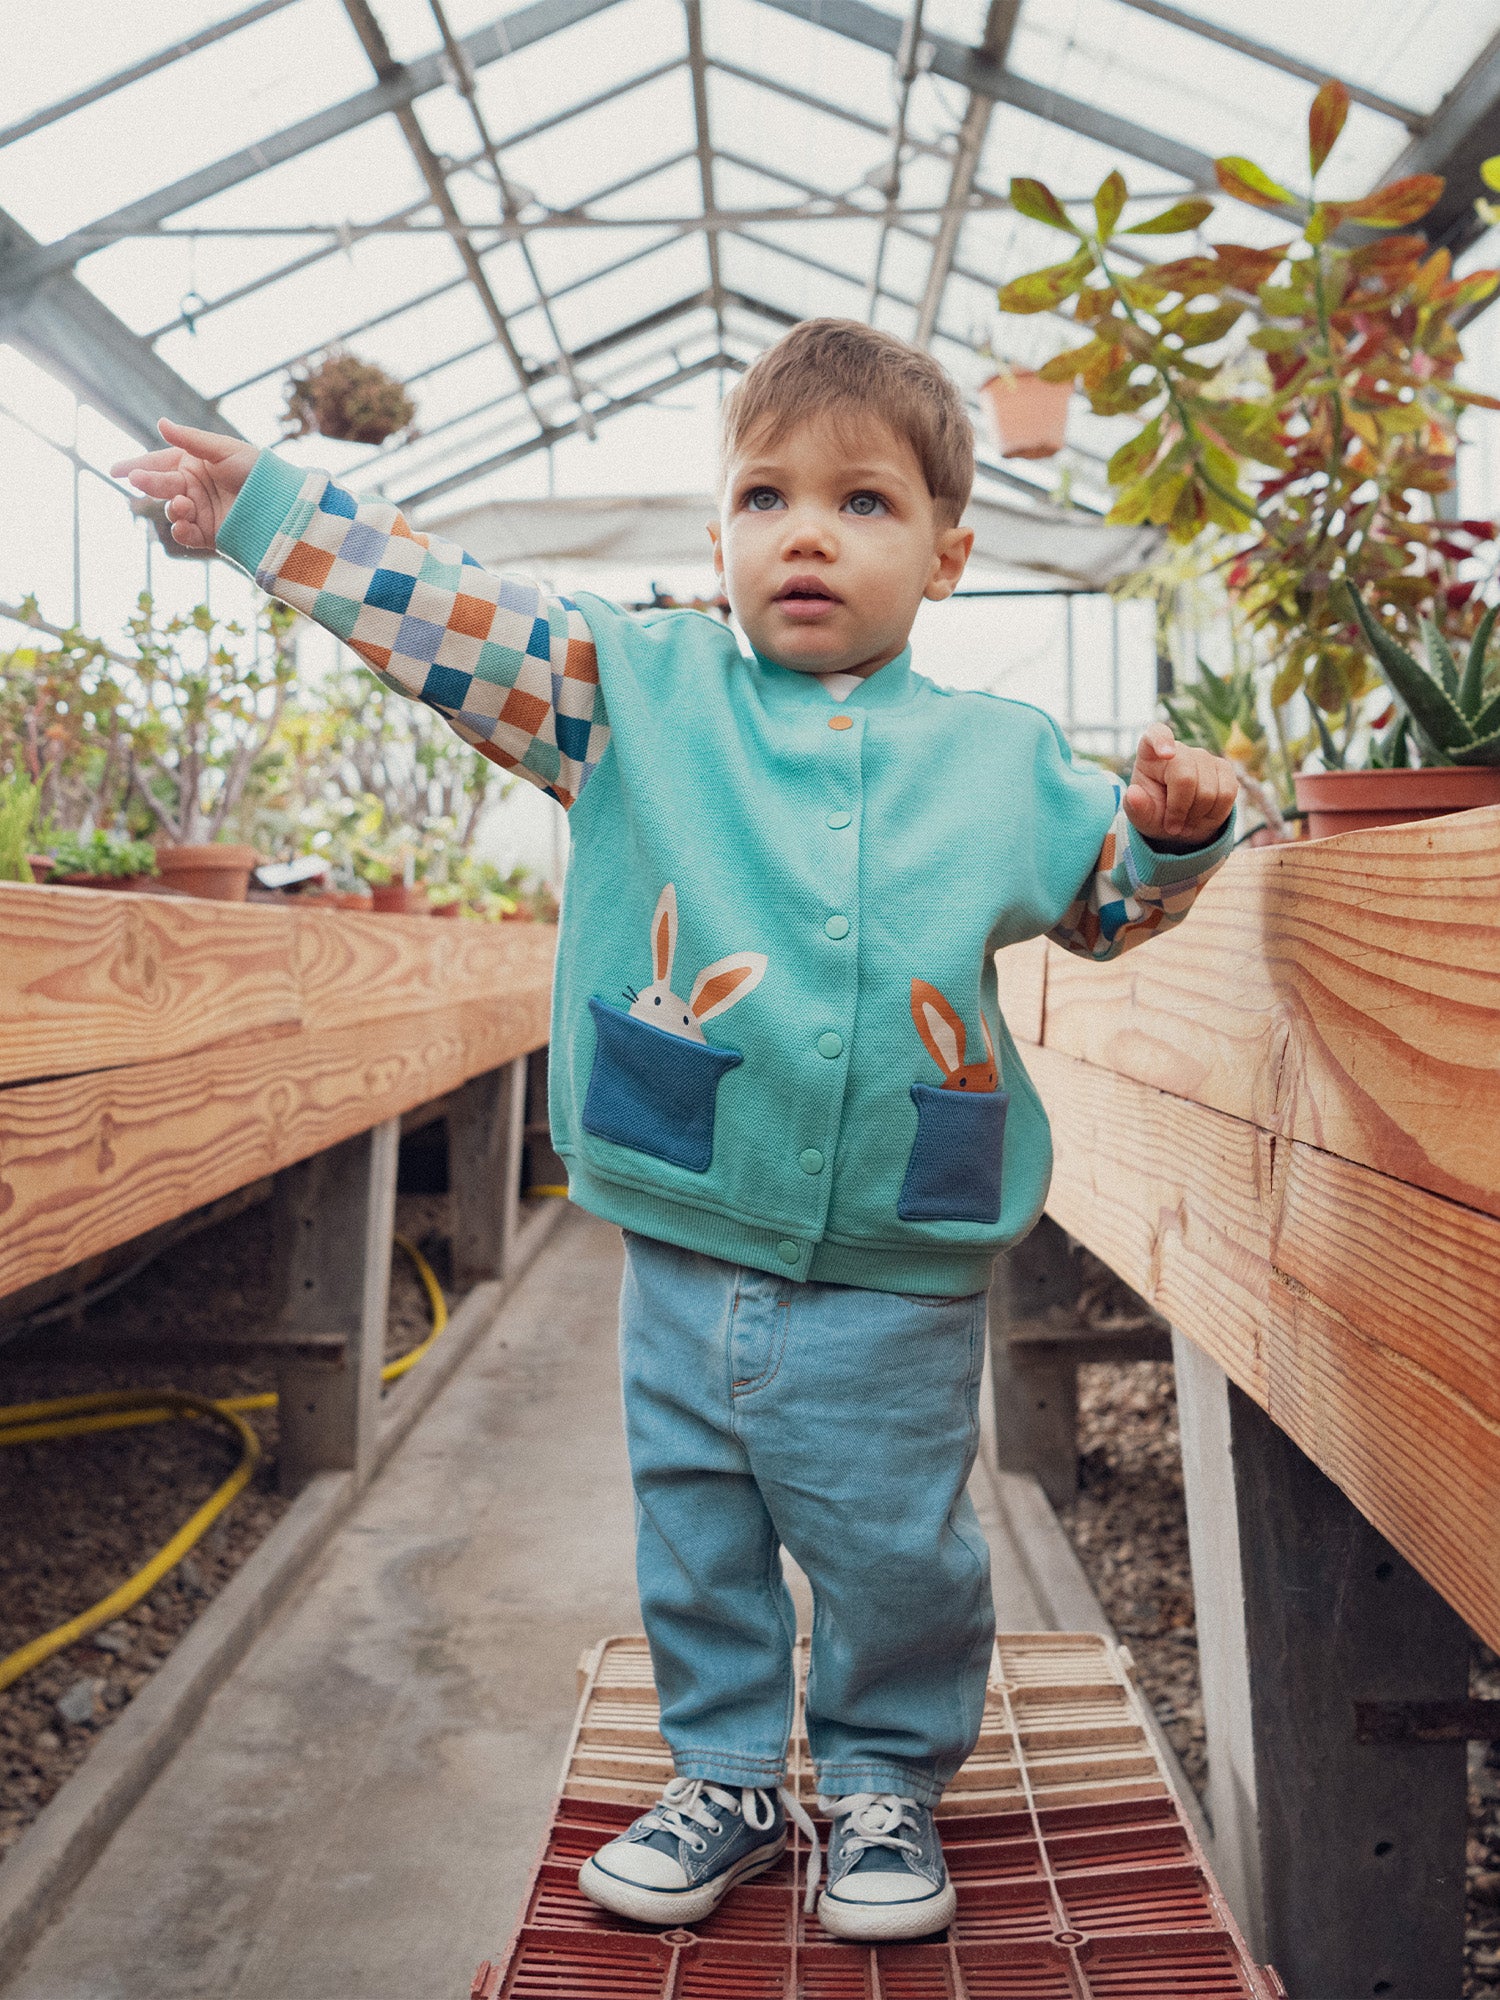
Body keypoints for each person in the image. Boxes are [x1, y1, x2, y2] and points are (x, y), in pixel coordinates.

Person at [113, 318, 1236, 1945]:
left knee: (893, 1539)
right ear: (714, 538)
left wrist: (1173, 836)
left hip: (896, 1253)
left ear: (949, 553)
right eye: (764, 495)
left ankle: (880, 1788)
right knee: (697, 1518)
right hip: (686, 1225)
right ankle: (724, 1773)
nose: (805, 530)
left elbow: (1105, 910)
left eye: (863, 503)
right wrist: (276, 513)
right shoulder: (623, 694)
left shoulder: (1001, 760)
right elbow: (451, 618)